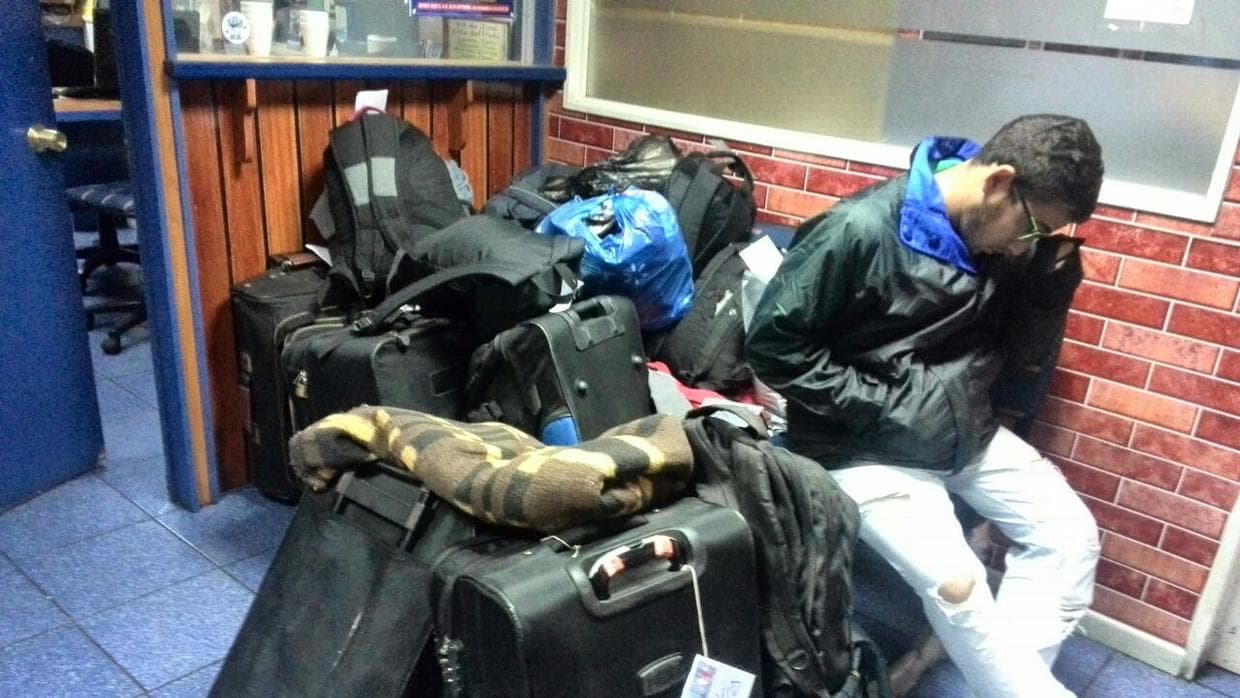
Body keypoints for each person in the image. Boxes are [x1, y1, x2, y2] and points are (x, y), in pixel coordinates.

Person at [746, 114, 1104, 698]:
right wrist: (888, 408)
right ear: (998, 184)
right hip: (861, 442)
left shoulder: (1001, 245)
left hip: (962, 430)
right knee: (958, 585)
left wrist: (1046, 289)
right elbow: (774, 347)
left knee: (1069, 537)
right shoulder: (857, 230)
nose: (1024, 246)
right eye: (1033, 228)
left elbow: (1022, 361)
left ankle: (1008, 685)